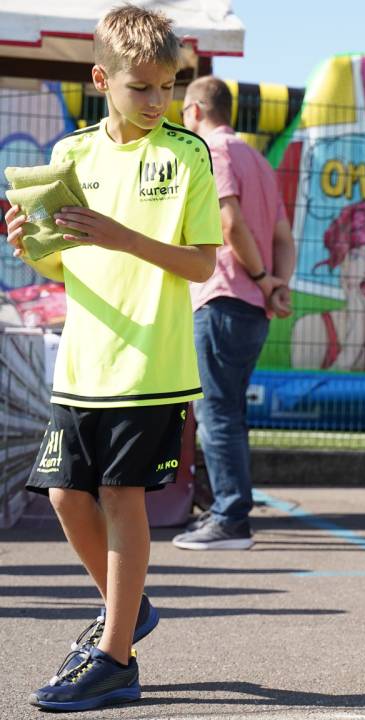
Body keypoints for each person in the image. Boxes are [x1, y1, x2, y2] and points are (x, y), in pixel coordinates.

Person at [6, 5, 220, 710]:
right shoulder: (70, 155)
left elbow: (200, 265)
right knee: (66, 496)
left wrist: (123, 236)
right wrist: (28, 247)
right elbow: (64, 265)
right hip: (82, 363)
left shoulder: (186, 154)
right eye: (142, 87)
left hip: (151, 365)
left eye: (169, 86)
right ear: (102, 80)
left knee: (121, 496)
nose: (159, 100)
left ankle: (116, 656)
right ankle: (127, 609)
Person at [173, 75, 296, 550]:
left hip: (222, 294)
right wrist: (276, 285)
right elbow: (283, 236)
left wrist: (263, 278)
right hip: (251, 306)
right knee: (229, 410)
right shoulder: (258, 160)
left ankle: (229, 518)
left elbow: (229, 222)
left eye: (183, 112)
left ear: (196, 111)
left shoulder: (211, 151)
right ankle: (229, 510)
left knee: (216, 411)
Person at [290, 201, 365, 373]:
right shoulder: (311, 328)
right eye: (356, 256)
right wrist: (351, 349)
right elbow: (303, 389)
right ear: (343, 266)